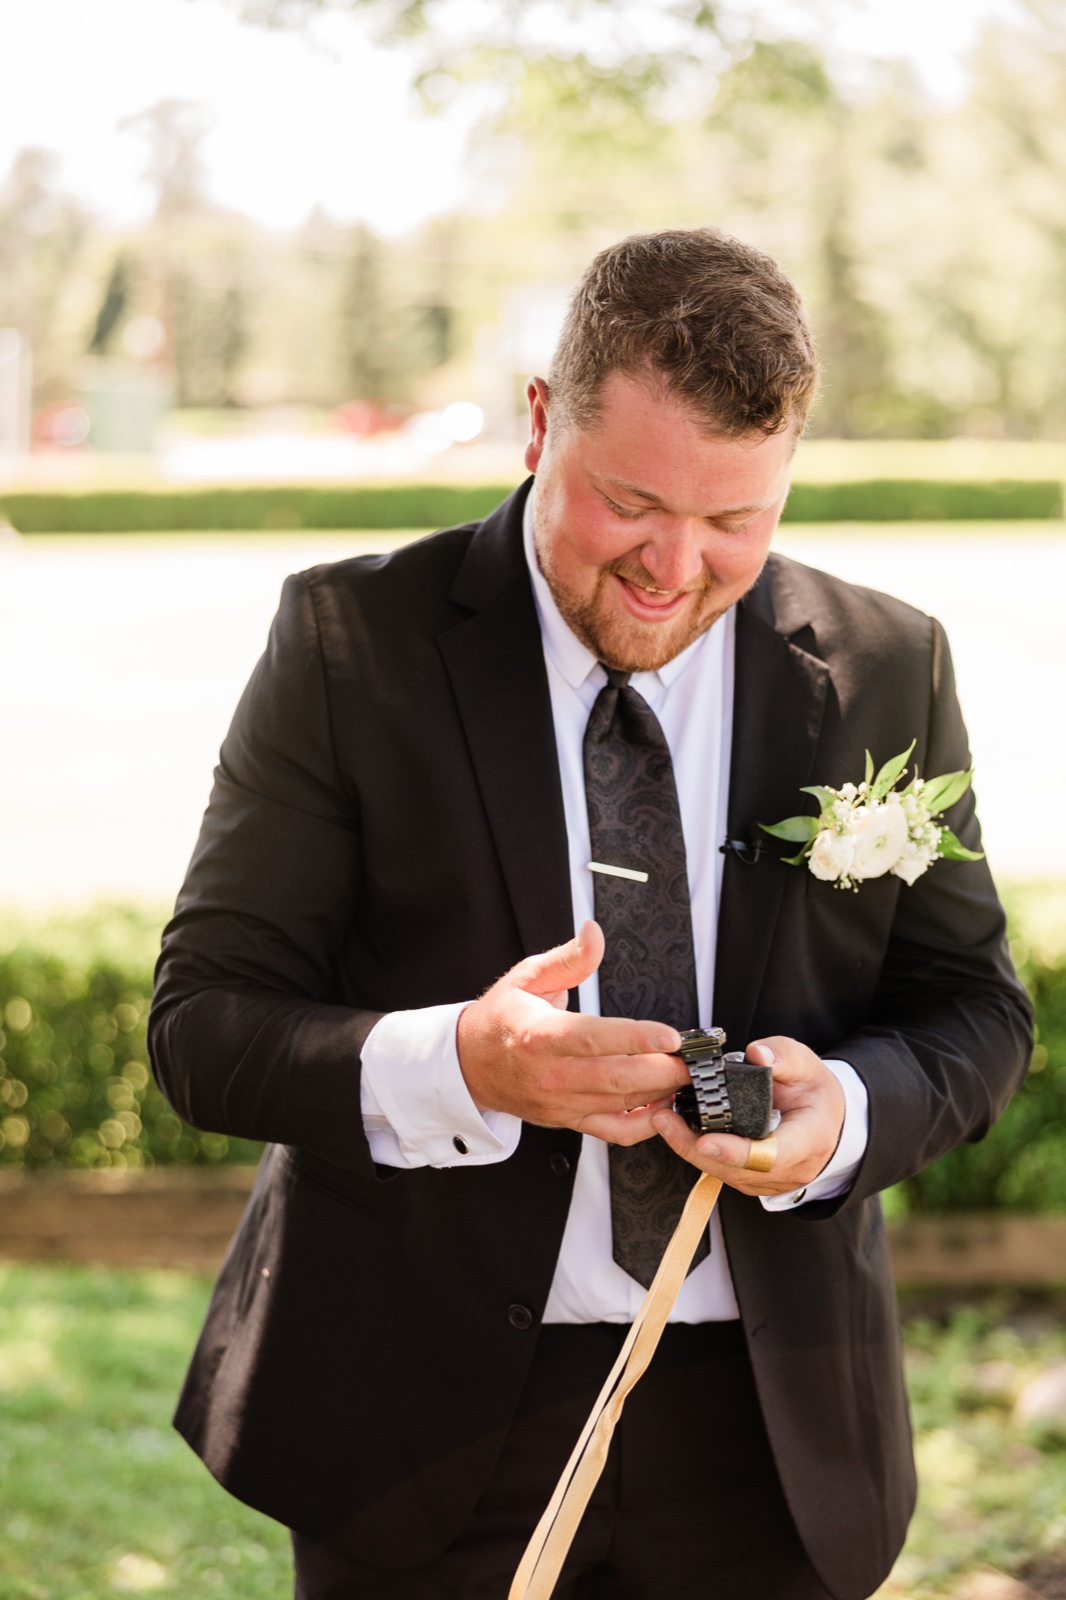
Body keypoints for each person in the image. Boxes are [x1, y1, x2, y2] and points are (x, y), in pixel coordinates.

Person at [148, 227, 1032, 1600]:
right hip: (418, 1428)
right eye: (629, 502)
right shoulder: (345, 643)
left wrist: (840, 1117)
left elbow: (973, 1010)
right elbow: (201, 1025)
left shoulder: (881, 664)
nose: (672, 568)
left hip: (775, 1431)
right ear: (541, 423)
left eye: (733, 521)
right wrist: (461, 1064)